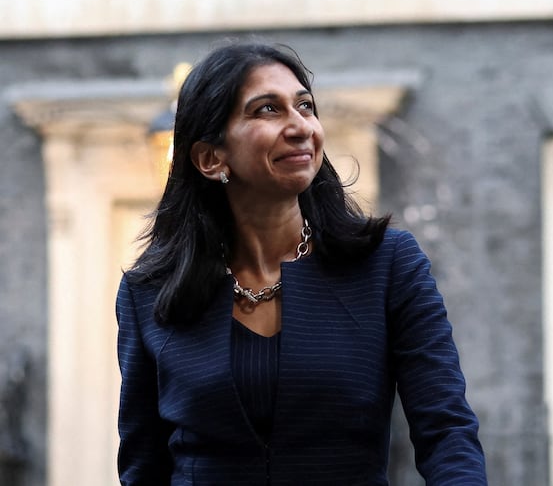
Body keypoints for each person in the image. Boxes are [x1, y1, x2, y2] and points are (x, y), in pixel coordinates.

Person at [116, 41, 487, 485]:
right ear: (211, 158)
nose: (299, 126)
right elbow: (144, 465)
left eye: (305, 106)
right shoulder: (148, 294)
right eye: (267, 110)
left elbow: (447, 431)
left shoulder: (388, 264)